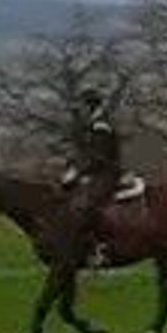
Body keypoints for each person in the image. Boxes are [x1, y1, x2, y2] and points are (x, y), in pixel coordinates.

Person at [62, 88, 123, 265]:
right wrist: (72, 167)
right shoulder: (92, 123)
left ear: (90, 106)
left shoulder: (101, 126)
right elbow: (86, 153)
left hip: (107, 173)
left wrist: (77, 173)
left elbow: (100, 157)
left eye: (82, 105)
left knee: (87, 204)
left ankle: (99, 248)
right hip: (96, 172)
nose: (80, 109)